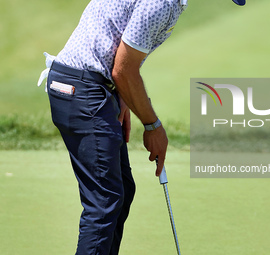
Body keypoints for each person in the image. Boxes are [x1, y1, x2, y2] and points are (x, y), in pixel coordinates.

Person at [39, 0, 245, 254]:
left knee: (121, 189)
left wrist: (122, 97)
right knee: (104, 201)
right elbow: (123, 70)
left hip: (89, 86)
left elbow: (119, 52)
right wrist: (153, 126)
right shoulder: (162, 3)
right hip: (82, 89)